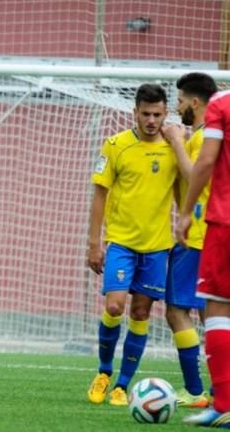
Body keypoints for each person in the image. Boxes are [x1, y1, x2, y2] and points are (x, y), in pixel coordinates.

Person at [86, 83, 177, 406]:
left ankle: (123, 385)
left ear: (166, 113)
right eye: (145, 114)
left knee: (141, 312)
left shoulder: (174, 147)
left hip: (156, 247)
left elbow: (184, 189)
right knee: (114, 306)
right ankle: (104, 372)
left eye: (157, 114)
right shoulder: (115, 145)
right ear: (134, 113)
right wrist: (93, 243)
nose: (151, 120)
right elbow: (100, 195)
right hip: (121, 242)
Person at [162, 72, 217, 409]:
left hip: (196, 236)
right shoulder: (210, 135)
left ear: (194, 102)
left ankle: (196, 391)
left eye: (180, 100)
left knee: (176, 310)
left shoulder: (198, 139)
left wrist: (176, 141)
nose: (176, 107)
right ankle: (213, 390)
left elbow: (193, 173)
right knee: (208, 313)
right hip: (207, 233)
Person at [176, 83, 230, 427]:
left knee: (218, 309)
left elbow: (207, 160)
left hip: (226, 221)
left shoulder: (221, 104)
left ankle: (224, 402)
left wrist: (185, 211)